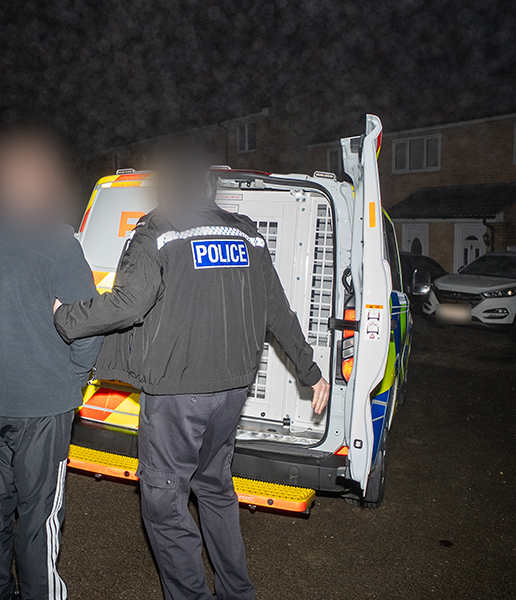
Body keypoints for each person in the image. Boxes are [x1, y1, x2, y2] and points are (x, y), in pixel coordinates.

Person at [52, 160, 329, 600]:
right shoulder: (248, 234)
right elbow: (278, 310)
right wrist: (310, 372)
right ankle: (237, 592)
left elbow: (128, 304)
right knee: (214, 487)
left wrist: (64, 316)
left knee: (164, 502)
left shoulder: (158, 230)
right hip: (232, 391)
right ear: (206, 191)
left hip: (179, 394)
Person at [0, 129, 102, 600]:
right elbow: (88, 322)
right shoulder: (58, 242)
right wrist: (72, 378)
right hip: (43, 405)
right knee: (39, 514)